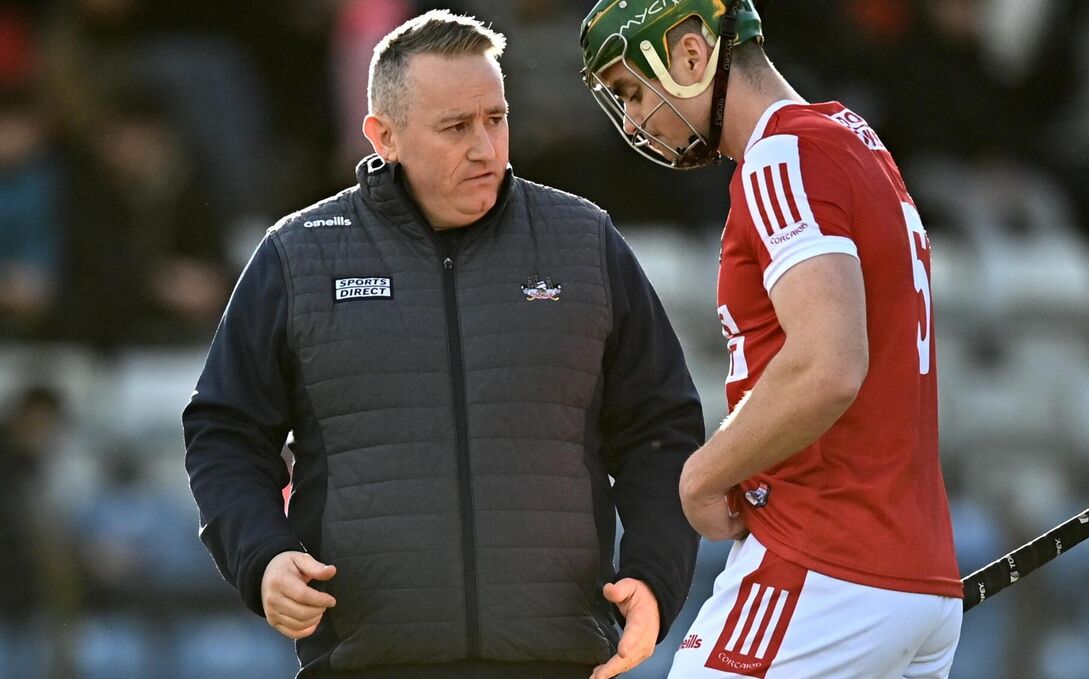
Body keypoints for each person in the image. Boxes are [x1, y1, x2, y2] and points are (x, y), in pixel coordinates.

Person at [184, 10, 703, 679]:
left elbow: (661, 431)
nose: (486, 146)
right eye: (457, 127)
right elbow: (224, 434)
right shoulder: (298, 254)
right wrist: (262, 556)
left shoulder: (586, 242)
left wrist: (656, 576)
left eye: (496, 117)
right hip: (367, 663)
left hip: (560, 660)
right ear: (385, 135)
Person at [579, 2, 963, 677]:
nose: (635, 119)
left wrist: (702, 474)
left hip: (824, 564)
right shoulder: (852, 138)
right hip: (916, 576)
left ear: (692, 57)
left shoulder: (779, 156)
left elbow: (828, 363)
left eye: (634, 91)